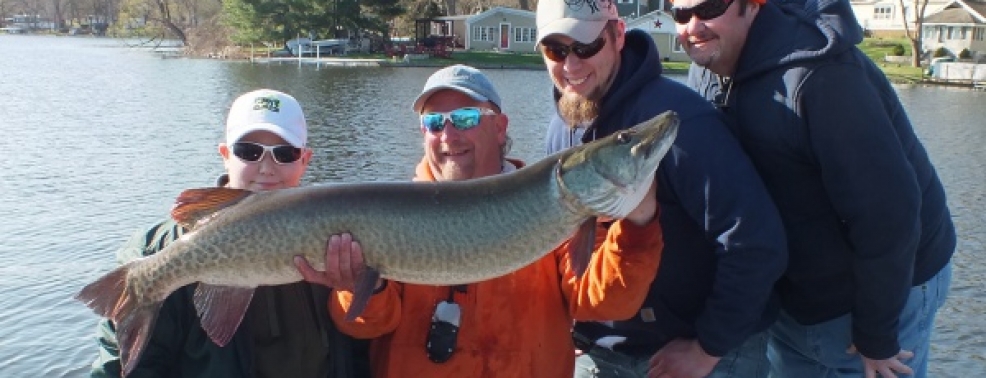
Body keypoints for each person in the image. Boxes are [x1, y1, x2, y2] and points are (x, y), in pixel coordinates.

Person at [295, 64, 664, 378]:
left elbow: (604, 303)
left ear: (500, 127)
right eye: (434, 122)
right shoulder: (388, 212)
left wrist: (639, 224)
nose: (448, 135)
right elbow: (367, 325)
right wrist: (360, 287)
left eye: (466, 118)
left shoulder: (555, 202)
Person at [672, 0, 956, 376]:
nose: (693, 26)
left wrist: (877, 332)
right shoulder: (707, 71)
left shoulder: (822, 77)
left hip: (889, 287)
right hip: (803, 301)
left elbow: (890, 214)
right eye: (680, 13)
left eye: (709, 7)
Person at [535, 0, 789, 377]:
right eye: (557, 50)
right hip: (604, 351)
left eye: (586, 47)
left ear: (618, 36)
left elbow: (755, 243)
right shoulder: (562, 129)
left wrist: (707, 348)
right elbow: (567, 245)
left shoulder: (682, 124)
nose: (571, 66)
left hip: (703, 352)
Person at [90, 89, 370, 378]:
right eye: (249, 151)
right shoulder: (158, 252)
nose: (266, 168)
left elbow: (360, 352)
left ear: (304, 160)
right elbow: (120, 368)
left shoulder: (338, 239)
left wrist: (360, 288)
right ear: (225, 155)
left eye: (284, 153)